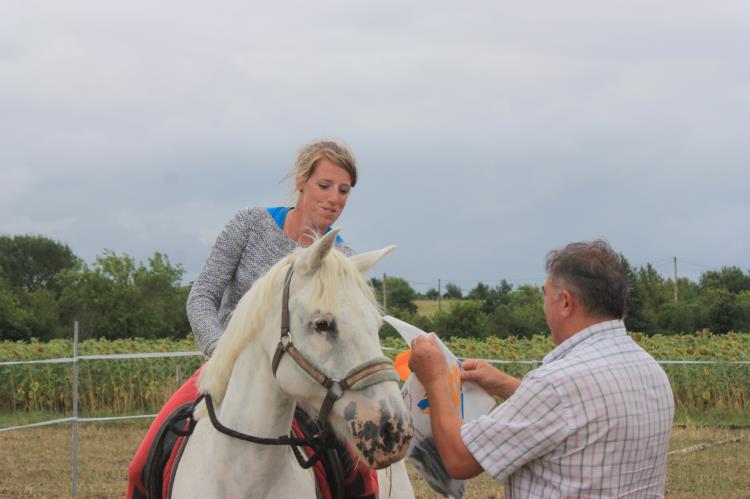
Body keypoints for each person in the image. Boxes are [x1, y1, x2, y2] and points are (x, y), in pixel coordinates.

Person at [127, 139, 377, 498]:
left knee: (361, 479)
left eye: (344, 190)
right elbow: (202, 296)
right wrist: (220, 355)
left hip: (302, 384)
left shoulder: (342, 259)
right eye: (325, 186)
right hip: (224, 371)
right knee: (141, 464)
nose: (334, 198)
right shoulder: (249, 224)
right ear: (301, 182)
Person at [409, 240, 675, 498]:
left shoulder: (556, 384)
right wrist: (508, 386)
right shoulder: (651, 370)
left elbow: (459, 459)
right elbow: (580, 415)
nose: (544, 307)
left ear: (566, 303)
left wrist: (435, 380)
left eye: (546, 296)